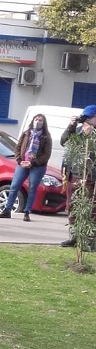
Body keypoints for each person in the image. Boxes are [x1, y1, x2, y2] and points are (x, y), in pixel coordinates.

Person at [0, 113, 52, 222]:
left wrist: (33, 163)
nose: (38, 122)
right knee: (14, 186)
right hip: (22, 163)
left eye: (40, 120)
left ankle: (27, 212)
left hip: (37, 166)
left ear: (44, 123)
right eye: (36, 119)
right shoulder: (26, 133)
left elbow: (46, 154)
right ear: (32, 121)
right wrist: (19, 160)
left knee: (32, 188)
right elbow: (17, 148)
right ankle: (7, 210)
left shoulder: (46, 136)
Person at [59, 104, 96, 247]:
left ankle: (89, 240)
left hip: (90, 177)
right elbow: (64, 141)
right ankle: (75, 236)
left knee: (90, 209)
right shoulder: (77, 131)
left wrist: (91, 135)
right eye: (85, 117)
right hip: (73, 176)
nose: (86, 120)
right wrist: (71, 126)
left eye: (90, 117)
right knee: (73, 207)